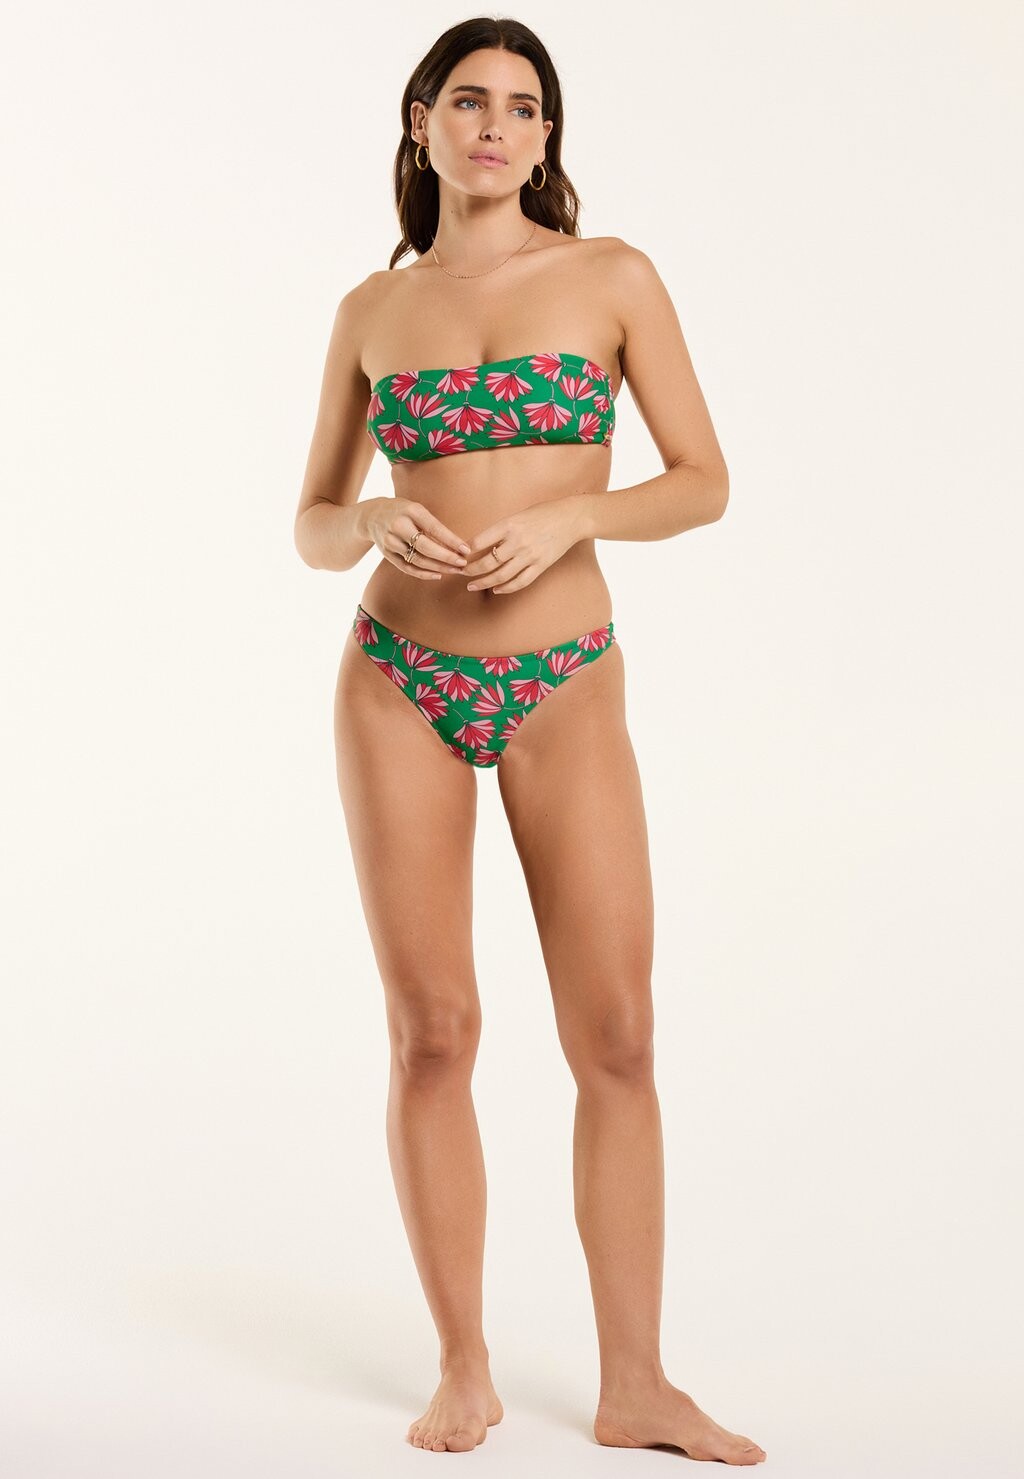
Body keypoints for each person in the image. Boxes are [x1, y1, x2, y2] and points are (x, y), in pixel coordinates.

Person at [294, 15, 765, 1465]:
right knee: (433, 1031)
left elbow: (703, 479)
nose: (495, 127)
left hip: (564, 678)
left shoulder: (612, 277)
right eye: (468, 102)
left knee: (616, 1035)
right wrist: (369, 518)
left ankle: (637, 1383)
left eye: (522, 107)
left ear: (547, 136)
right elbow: (310, 524)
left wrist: (576, 515)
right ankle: (464, 1366)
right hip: (398, 680)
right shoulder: (372, 312)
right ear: (422, 122)